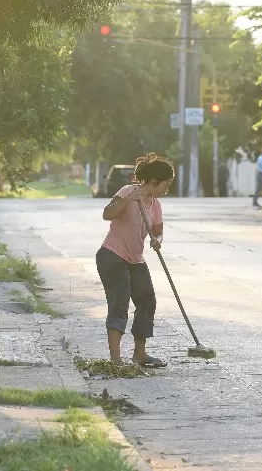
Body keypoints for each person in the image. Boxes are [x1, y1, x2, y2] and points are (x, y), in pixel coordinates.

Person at [96, 153, 174, 367]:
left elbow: (157, 232)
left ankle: (140, 355)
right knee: (119, 302)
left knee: (147, 300)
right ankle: (115, 359)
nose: (166, 190)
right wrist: (130, 199)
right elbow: (107, 213)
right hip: (112, 255)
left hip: (135, 259)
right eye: (165, 184)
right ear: (154, 180)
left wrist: (157, 240)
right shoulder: (127, 192)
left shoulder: (155, 204)